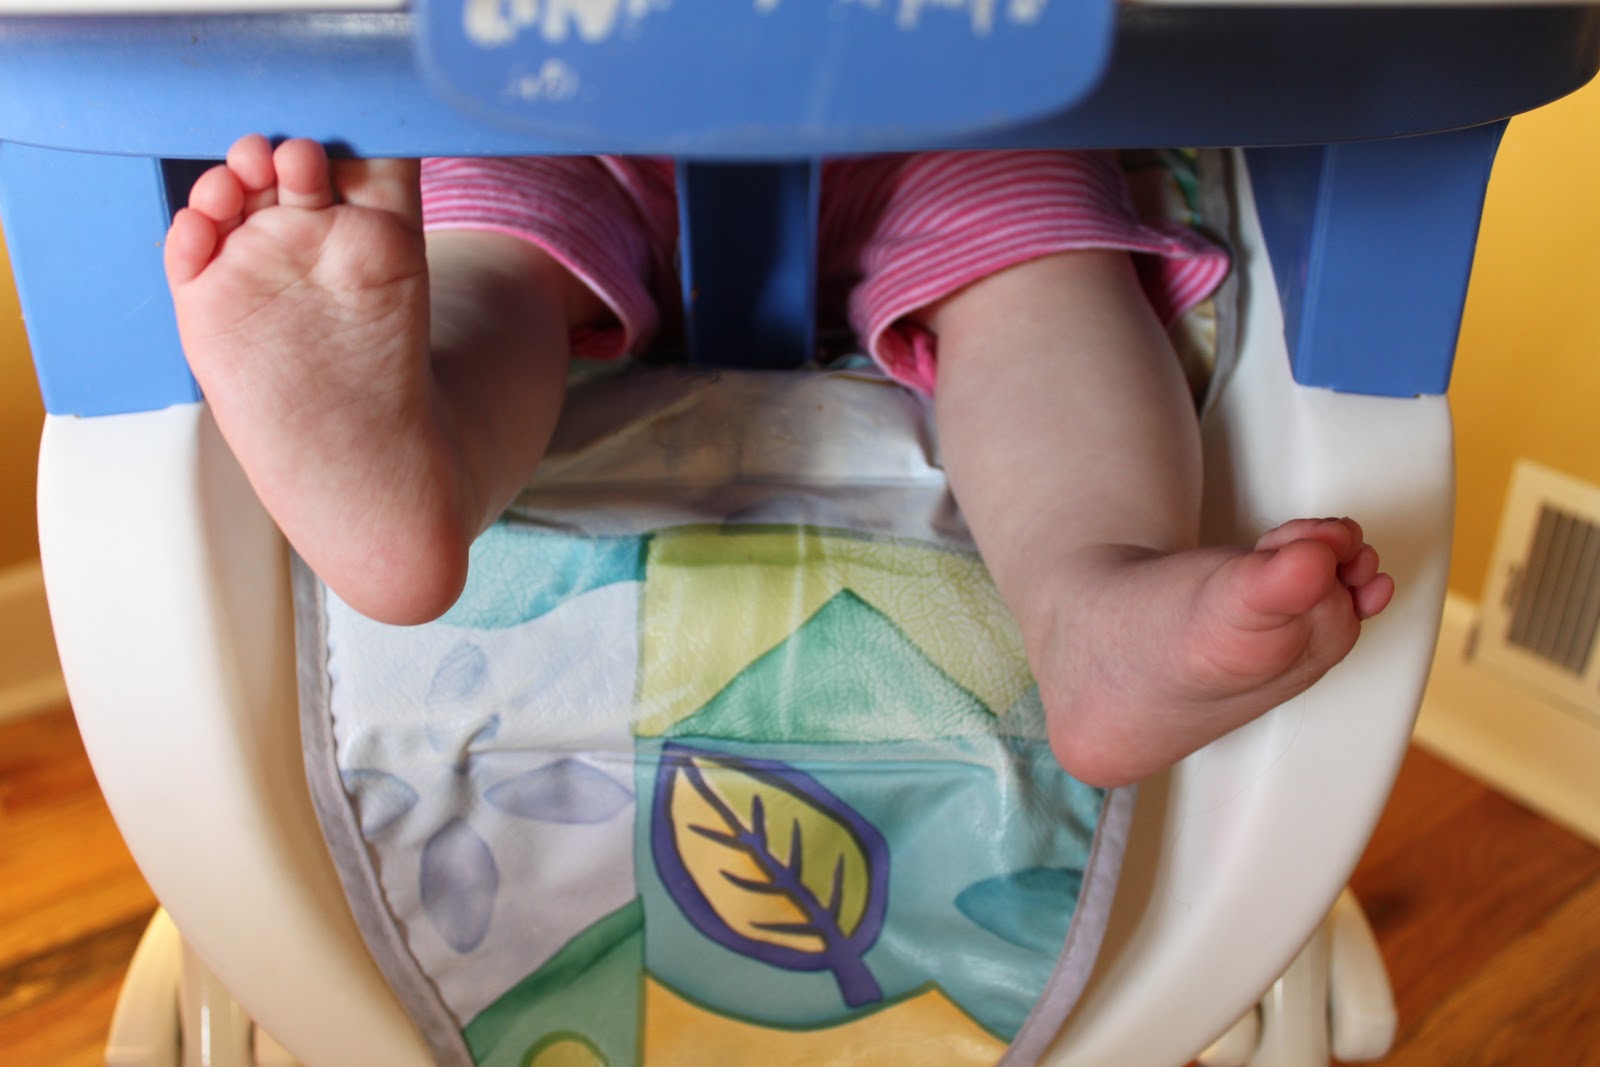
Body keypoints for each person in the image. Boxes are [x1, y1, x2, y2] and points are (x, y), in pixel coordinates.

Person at [162, 135, 1393, 788]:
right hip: (560, 90)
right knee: (482, 243)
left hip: (957, 84)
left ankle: (1093, 601)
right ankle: (401, 466)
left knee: (1039, 267)